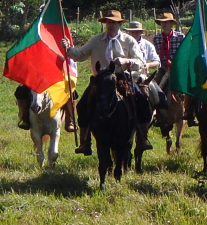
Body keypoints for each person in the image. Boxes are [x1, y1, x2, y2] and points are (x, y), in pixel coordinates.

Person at [61, 9, 152, 155]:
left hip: (122, 78)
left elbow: (140, 62)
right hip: (100, 81)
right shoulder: (96, 40)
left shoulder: (129, 41)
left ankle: (143, 137)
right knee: (83, 105)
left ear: (120, 24)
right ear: (105, 24)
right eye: (109, 22)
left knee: (142, 101)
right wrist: (68, 49)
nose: (112, 25)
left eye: (115, 22)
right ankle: (86, 141)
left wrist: (125, 60)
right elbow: (80, 55)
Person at [153, 12, 191, 122]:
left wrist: (175, 65)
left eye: (166, 22)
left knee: (188, 87)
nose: (164, 24)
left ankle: (189, 110)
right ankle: (156, 113)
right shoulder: (157, 39)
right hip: (163, 68)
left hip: (178, 69)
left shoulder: (180, 37)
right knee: (155, 87)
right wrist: (164, 67)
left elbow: (184, 54)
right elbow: (156, 55)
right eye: (162, 22)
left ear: (171, 24)